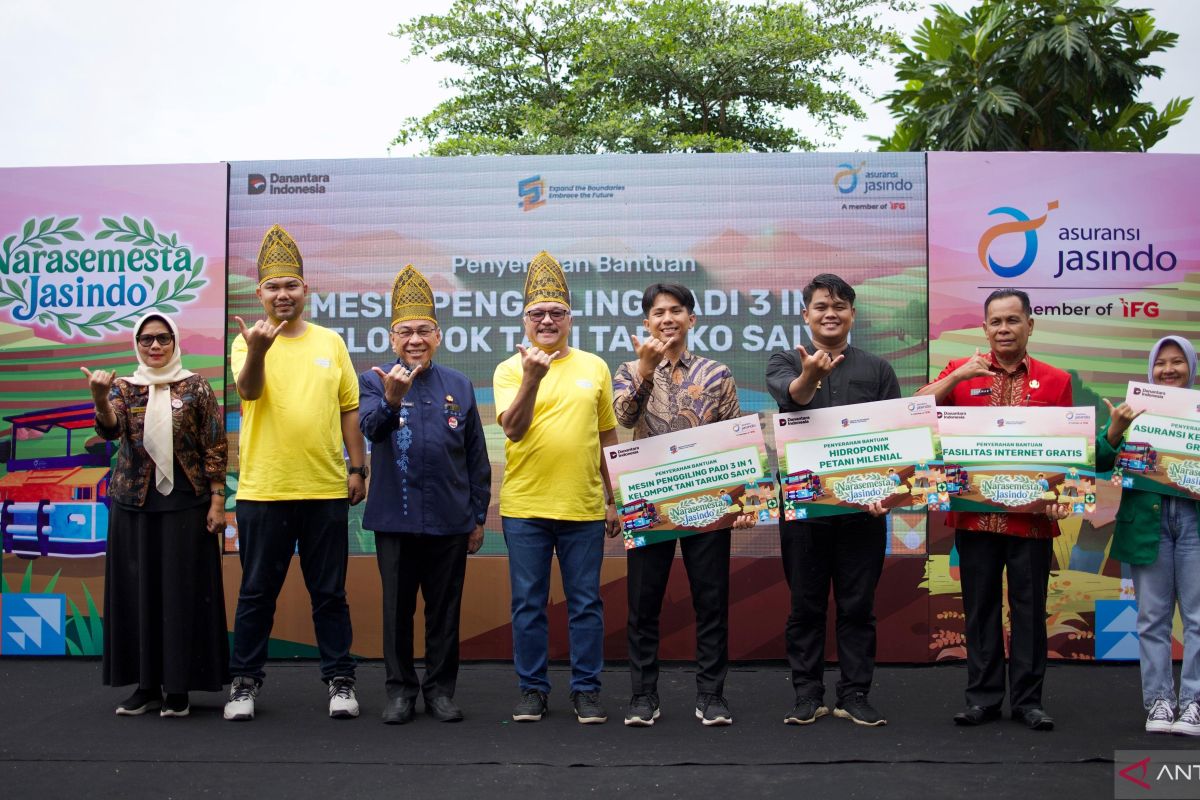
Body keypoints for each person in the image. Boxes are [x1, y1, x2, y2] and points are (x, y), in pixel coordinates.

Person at [224, 224, 367, 721]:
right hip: (264, 490)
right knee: (257, 592)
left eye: (291, 285)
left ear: (306, 290)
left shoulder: (331, 342)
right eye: (272, 286)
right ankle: (244, 683)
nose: (282, 295)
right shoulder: (249, 340)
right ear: (259, 292)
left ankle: (340, 682)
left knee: (329, 593)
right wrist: (259, 349)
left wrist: (358, 467)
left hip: (325, 488)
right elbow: (247, 392)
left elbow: (349, 408)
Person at [917, 288, 1071, 731]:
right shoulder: (961, 372)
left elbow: (1069, 447)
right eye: (996, 322)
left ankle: (1028, 702)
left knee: (1029, 610)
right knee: (980, 609)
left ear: (1030, 324)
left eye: (1012, 320)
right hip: (975, 517)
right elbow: (919, 409)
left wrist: (1065, 495)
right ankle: (982, 698)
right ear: (984, 329)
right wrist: (959, 372)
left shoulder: (1056, 380)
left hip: (1032, 522)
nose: (1004, 329)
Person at [612, 283, 754, 727]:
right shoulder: (628, 370)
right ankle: (643, 696)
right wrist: (647, 371)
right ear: (647, 322)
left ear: (692, 319)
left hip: (708, 499)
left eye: (677, 311)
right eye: (659, 312)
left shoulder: (717, 373)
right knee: (643, 602)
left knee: (711, 599)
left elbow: (736, 437)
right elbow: (625, 418)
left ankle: (711, 695)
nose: (668, 318)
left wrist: (745, 499)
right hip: (647, 500)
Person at [765, 273, 900, 728]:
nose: (830, 313)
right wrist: (811, 373)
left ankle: (855, 693)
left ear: (852, 315)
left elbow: (893, 439)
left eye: (840, 306)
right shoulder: (786, 360)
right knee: (805, 605)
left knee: (858, 605)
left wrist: (888, 490)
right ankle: (807, 694)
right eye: (821, 306)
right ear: (806, 315)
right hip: (805, 510)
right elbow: (795, 396)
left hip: (863, 512)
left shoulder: (878, 370)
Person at [493, 251, 620, 724]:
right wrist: (532, 376)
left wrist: (612, 498)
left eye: (556, 313)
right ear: (525, 320)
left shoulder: (595, 366)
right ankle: (532, 689)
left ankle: (586, 690)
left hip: (583, 505)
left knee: (585, 604)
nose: (547, 321)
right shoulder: (510, 370)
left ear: (570, 318)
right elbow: (514, 429)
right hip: (525, 507)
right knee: (528, 604)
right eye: (537, 314)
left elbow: (607, 434)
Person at [359, 265, 490, 725]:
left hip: (451, 520)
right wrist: (393, 400)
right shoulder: (375, 380)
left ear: (438, 336)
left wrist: (477, 516)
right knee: (397, 612)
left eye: (423, 331)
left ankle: (439, 691)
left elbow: (476, 456)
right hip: (396, 519)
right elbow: (371, 429)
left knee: (444, 612)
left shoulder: (458, 384)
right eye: (405, 332)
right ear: (392, 339)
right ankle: (399, 692)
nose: (414, 339)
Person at [86, 313, 228, 718]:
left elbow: (215, 445)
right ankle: (147, 686)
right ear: (137, 343)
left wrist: (218, 500)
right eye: (146, 339)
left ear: (174, 341)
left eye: (163, 338)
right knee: (140, 593)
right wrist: (100, 400)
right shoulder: (123, 388)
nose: (154, 346)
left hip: (186, 503)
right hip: (134, 506)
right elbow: (112, 430)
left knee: (181, 592)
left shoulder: (196, 386)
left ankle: (179, 688)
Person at [1098, 335, 1199, 735]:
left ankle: (1193, 704)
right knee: (1152, 619)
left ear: (1191, 368)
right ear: (1150, 370)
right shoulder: (1131, 412)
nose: (1169, 369)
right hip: (1145, 524)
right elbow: (1101, 461)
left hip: (1193, 522)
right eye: (1161, 363)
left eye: (1178, 362)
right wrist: (1115, 430)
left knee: (1196, 619)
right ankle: (1159, 702)